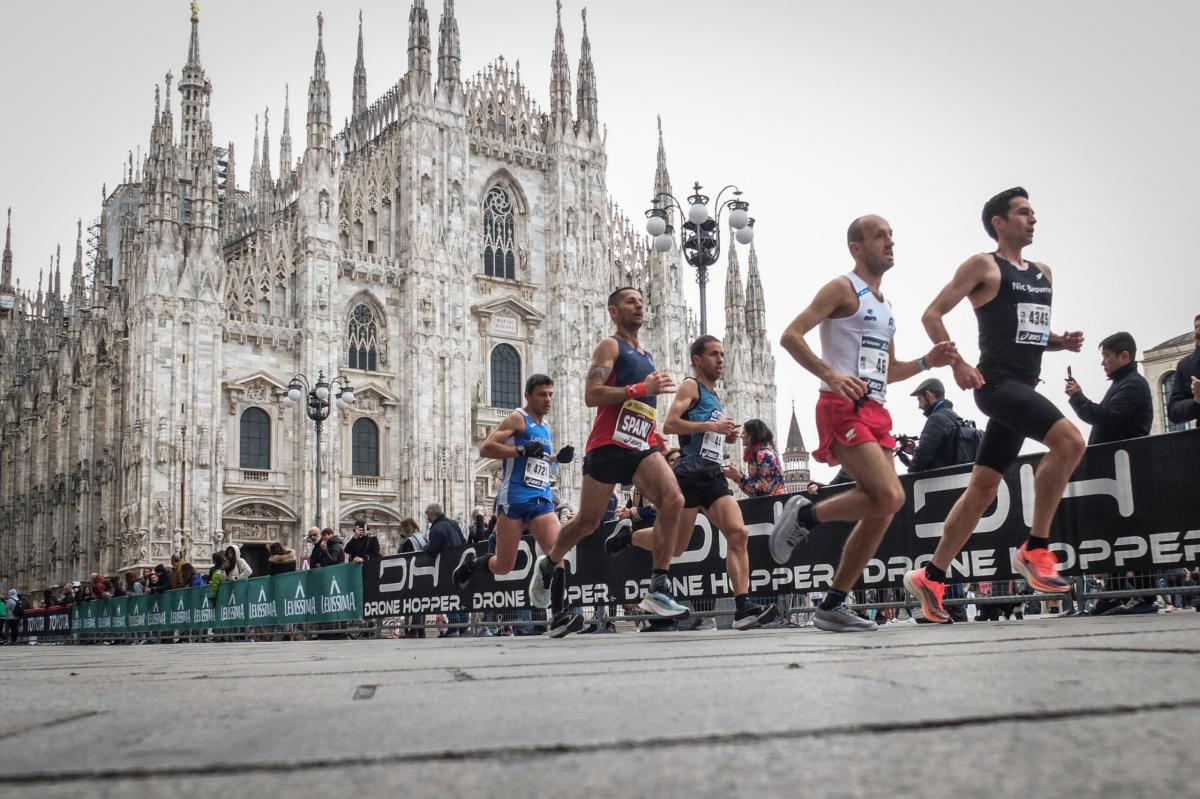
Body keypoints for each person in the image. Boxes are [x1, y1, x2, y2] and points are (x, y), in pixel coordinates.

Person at [905, 187, 1086, 623]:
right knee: (1071, 442)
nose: (1034, 219)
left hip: (1022, 387)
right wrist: (958, 363)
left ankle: (931, 575)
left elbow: (1029, 331)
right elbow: (931, 314)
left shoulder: (1043, 273)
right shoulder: (983, 265)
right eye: (1024, 212)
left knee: (982, 489)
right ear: (999, 222)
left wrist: (1061, 341)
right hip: (996, 385)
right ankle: (1036, 549)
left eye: (1034, 212)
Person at [768, 214, 957, 632]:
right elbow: (791, 335)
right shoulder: (842, 288)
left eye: (892, 236)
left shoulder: (886, 308)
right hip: (840, 403)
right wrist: (831, 374)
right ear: (856, 247)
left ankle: (833, 603)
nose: (890, 243)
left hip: (876, 408)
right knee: (889, 495)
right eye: (879, 237)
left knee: (882, 509)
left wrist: (929, 361)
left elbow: (888, 370)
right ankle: (806, 517)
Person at [530, 287, 689, 620]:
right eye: (631, 301)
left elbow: (639, 406)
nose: (640, 306)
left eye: (642, 301)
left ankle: (658, 587)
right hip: (606, 446)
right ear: (613, 311)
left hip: (639, 446)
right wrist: (641, 388)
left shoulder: (646, 356)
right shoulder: (610, 346)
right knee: (587, 522)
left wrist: (652, 432)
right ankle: (550, 563)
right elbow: (592, 394)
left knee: (673, 499)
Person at [607, 335, 779, 630]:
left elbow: (706, 434)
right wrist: (711, 426)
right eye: (714, 354)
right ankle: (629, 536)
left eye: (722, 354)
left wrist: (724, 435)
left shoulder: (714, 393)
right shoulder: (691, 386)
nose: (721, 359)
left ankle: (743, 607)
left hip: (712, 477)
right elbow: (670, 424)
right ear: (698, 360)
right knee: (675, 548)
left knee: (738, 533)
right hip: (687, 477)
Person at [455, 374, 581, 638]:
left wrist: (557, 458)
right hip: (514, 498)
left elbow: (539, 460)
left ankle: (558, 616)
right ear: (528, 396)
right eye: (542, 394)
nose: (547, 400)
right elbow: (486, 449)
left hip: (541, 500)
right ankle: (473, 563)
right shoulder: (517, 418)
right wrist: (520, 451)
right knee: (504, 565)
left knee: (558, 553)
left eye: (550, 394)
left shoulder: (546, 427)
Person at [1065, 332, 1152, 444]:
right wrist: (1077, 395)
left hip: (1123, 458)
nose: (1102, 362)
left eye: (1106, 356)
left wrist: (1078, 397)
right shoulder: (1124, 382)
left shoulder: (1134, 384)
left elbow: (1106, 417)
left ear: (1124, 356)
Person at [898, 378, 980, 473]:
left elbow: (920, 461)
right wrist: (914, 450)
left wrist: (908, 473)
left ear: (929, 395)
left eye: (920, 400)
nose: (919, 406)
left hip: (941, 483)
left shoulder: (936, 419)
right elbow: (943, 455)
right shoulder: (952, 417)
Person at [424, 503, 468, 636]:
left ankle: (454, 627)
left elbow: (432, 550)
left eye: (427, 514)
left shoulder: (437, 528)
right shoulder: (453, 523)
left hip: (446, 567)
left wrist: (425, 546)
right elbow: (463, 541)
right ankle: (464, 626)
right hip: (460, 565)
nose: (427, 517)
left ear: (432, 513)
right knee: (459, 596)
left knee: (447, 597)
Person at [723, 419, 786, 496]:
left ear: (752, 435)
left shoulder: (764, 454)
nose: (741, 436)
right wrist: (736, 477)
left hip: (771, 504)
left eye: (744, 432)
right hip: (766, 503)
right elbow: (754, 492)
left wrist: (739, 476)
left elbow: (762, 490)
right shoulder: (755, 454)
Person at [1166, 314, 1200, 427]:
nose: (1198, 332)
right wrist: (1196, 400)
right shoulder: (1186, 365)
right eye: (1196, 327)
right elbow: (1173, 411)